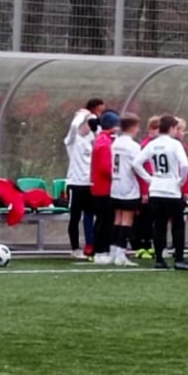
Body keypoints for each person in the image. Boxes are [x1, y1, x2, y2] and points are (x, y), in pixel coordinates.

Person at [139, 115, 188, 270]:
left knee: (159, 225)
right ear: (171, 128)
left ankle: (159, 259)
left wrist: (150, 179)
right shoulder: (175, 144)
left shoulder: (152, 144)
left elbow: (136, 163)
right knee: (177, 224)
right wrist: (181, 181)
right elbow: (184, 165)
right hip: (171, 190)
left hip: (156, 190)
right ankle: (179, 259)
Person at [63, 97, 106, 260]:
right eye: (88, 123)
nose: (89, 126)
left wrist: (95, 121)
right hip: (75, 184)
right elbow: (74, 126)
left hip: (90, 184)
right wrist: (84, 114)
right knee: (75, 217)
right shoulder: (72, 140)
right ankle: (75, 248)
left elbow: (101, 134)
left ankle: (92, 244)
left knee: (92, 215)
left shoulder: (93, 139)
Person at [104, 115, 147, 266]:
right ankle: (121, 254)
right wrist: (149, 179)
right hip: (128, 185)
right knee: (127, 220)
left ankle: (113, 252)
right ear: (133, 127)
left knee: (117, 218)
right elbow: (138, 165)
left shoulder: (115, 143)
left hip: (115, 185)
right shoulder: (133, 146)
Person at [88, 110, 122, 264]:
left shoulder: (103, 140)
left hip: (100, 186)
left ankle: (100, 249)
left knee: (103, 219)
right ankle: (101, 250)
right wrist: (117, 176)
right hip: (104, 187)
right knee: (105, 220)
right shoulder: (105, 142)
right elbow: (106, 167)